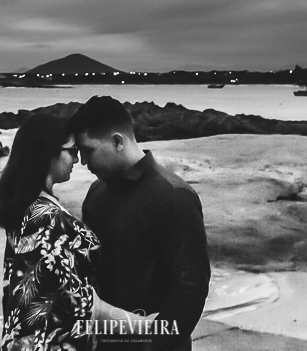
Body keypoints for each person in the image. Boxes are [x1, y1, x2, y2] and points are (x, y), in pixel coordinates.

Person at [0, 112, 153, 351]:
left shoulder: (26, 207)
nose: (78, 160)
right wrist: (147, 327)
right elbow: (80, 302)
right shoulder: (46, 218)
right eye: (72, 151)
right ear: (48, 153)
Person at [68, 96, 210, 351]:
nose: (83, 163)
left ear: (117, 141)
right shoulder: (96, 192)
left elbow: (191, 286)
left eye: (88, 151)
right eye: (78, 153)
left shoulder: (173, 196)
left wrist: (154, 344)